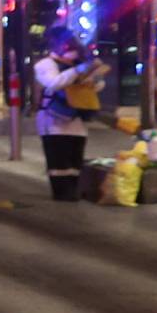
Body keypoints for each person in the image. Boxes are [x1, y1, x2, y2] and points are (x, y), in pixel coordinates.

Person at [33, 23, 107, 200]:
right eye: (63, 43)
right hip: (54, 121)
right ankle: (62, 193)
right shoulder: (46, 64)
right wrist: (76, 71)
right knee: (58, 159)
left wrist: (93, 78)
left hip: (77, 119)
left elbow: (97, 86)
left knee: (75, 158)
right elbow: (54, 83)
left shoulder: (77, 64)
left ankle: (72, 191)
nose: (67, 47)